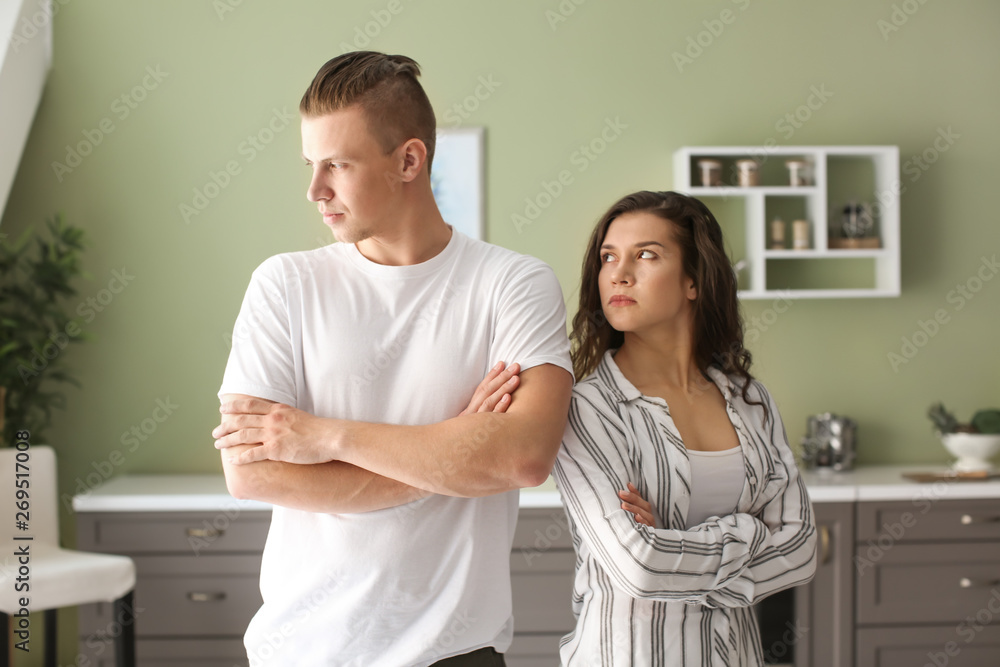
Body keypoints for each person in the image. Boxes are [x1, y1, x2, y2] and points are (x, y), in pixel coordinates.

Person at [212, 51, 573, 666]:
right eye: (310, 164)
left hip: (455, 652)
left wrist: (324, 436)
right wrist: (456, 448)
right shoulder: (284, 285)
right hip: (301, 651)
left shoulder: (514, 284)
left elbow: (523, 457)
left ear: (408, 160)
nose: (315, 190)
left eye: (338, 164)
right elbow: (252, 474)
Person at [552, 191, 817, 666]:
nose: (619, 273)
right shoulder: (586, 408)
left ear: (694, 280)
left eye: (646, 255)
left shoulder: (750, 401)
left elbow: (800, 550)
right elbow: (639, 567)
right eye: (608, 257)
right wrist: (751, 531)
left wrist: (673, 545)